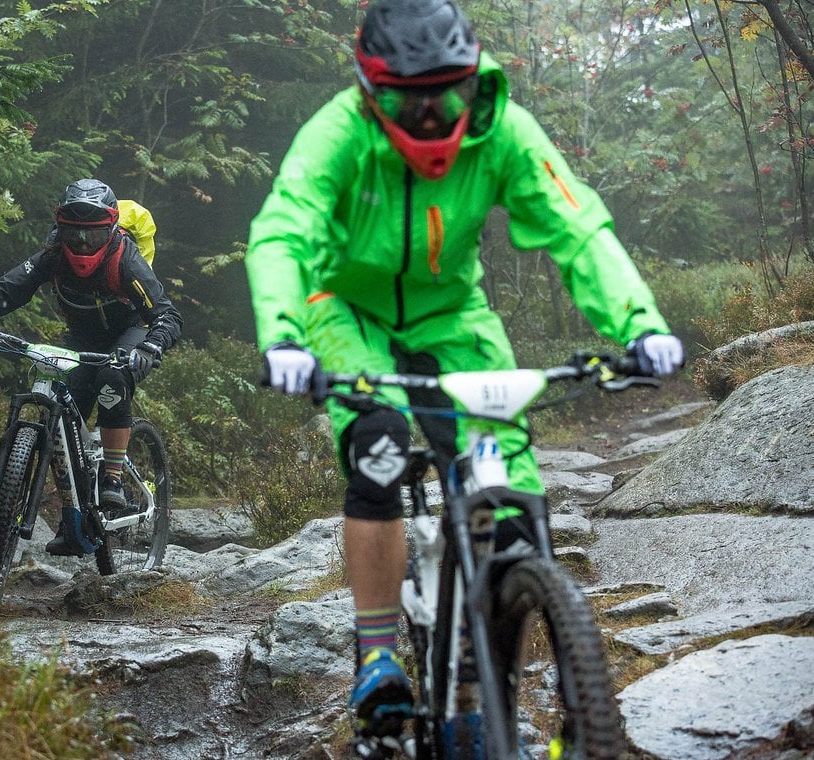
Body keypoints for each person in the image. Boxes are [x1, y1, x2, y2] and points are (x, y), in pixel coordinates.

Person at [245, 0, 683, 738]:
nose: (426, 116)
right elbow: (284, 230)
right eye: (402, 99)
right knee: (379, 446)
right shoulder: (337, 133)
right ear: (366, 89)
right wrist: (283, 338)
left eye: (446, 94)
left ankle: (503, 685)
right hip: (345, 308)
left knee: (507, 492)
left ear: (473, 81)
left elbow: (576, 223)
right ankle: (378, 658)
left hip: (453, 315)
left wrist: (640, 324)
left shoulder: (502, 126)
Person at [0, 178, 182, 554]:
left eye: (93, 235)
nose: (83, 244)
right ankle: (72, 524)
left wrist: (151, 346)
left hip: (129, 335)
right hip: (82, 340)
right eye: (74, 234)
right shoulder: (53, 254)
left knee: (111, 379)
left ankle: (113, 478)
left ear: (111, 230)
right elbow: (9, 288)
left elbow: (167, 315)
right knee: (62, 410)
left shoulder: (125, 260)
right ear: (61, 229)